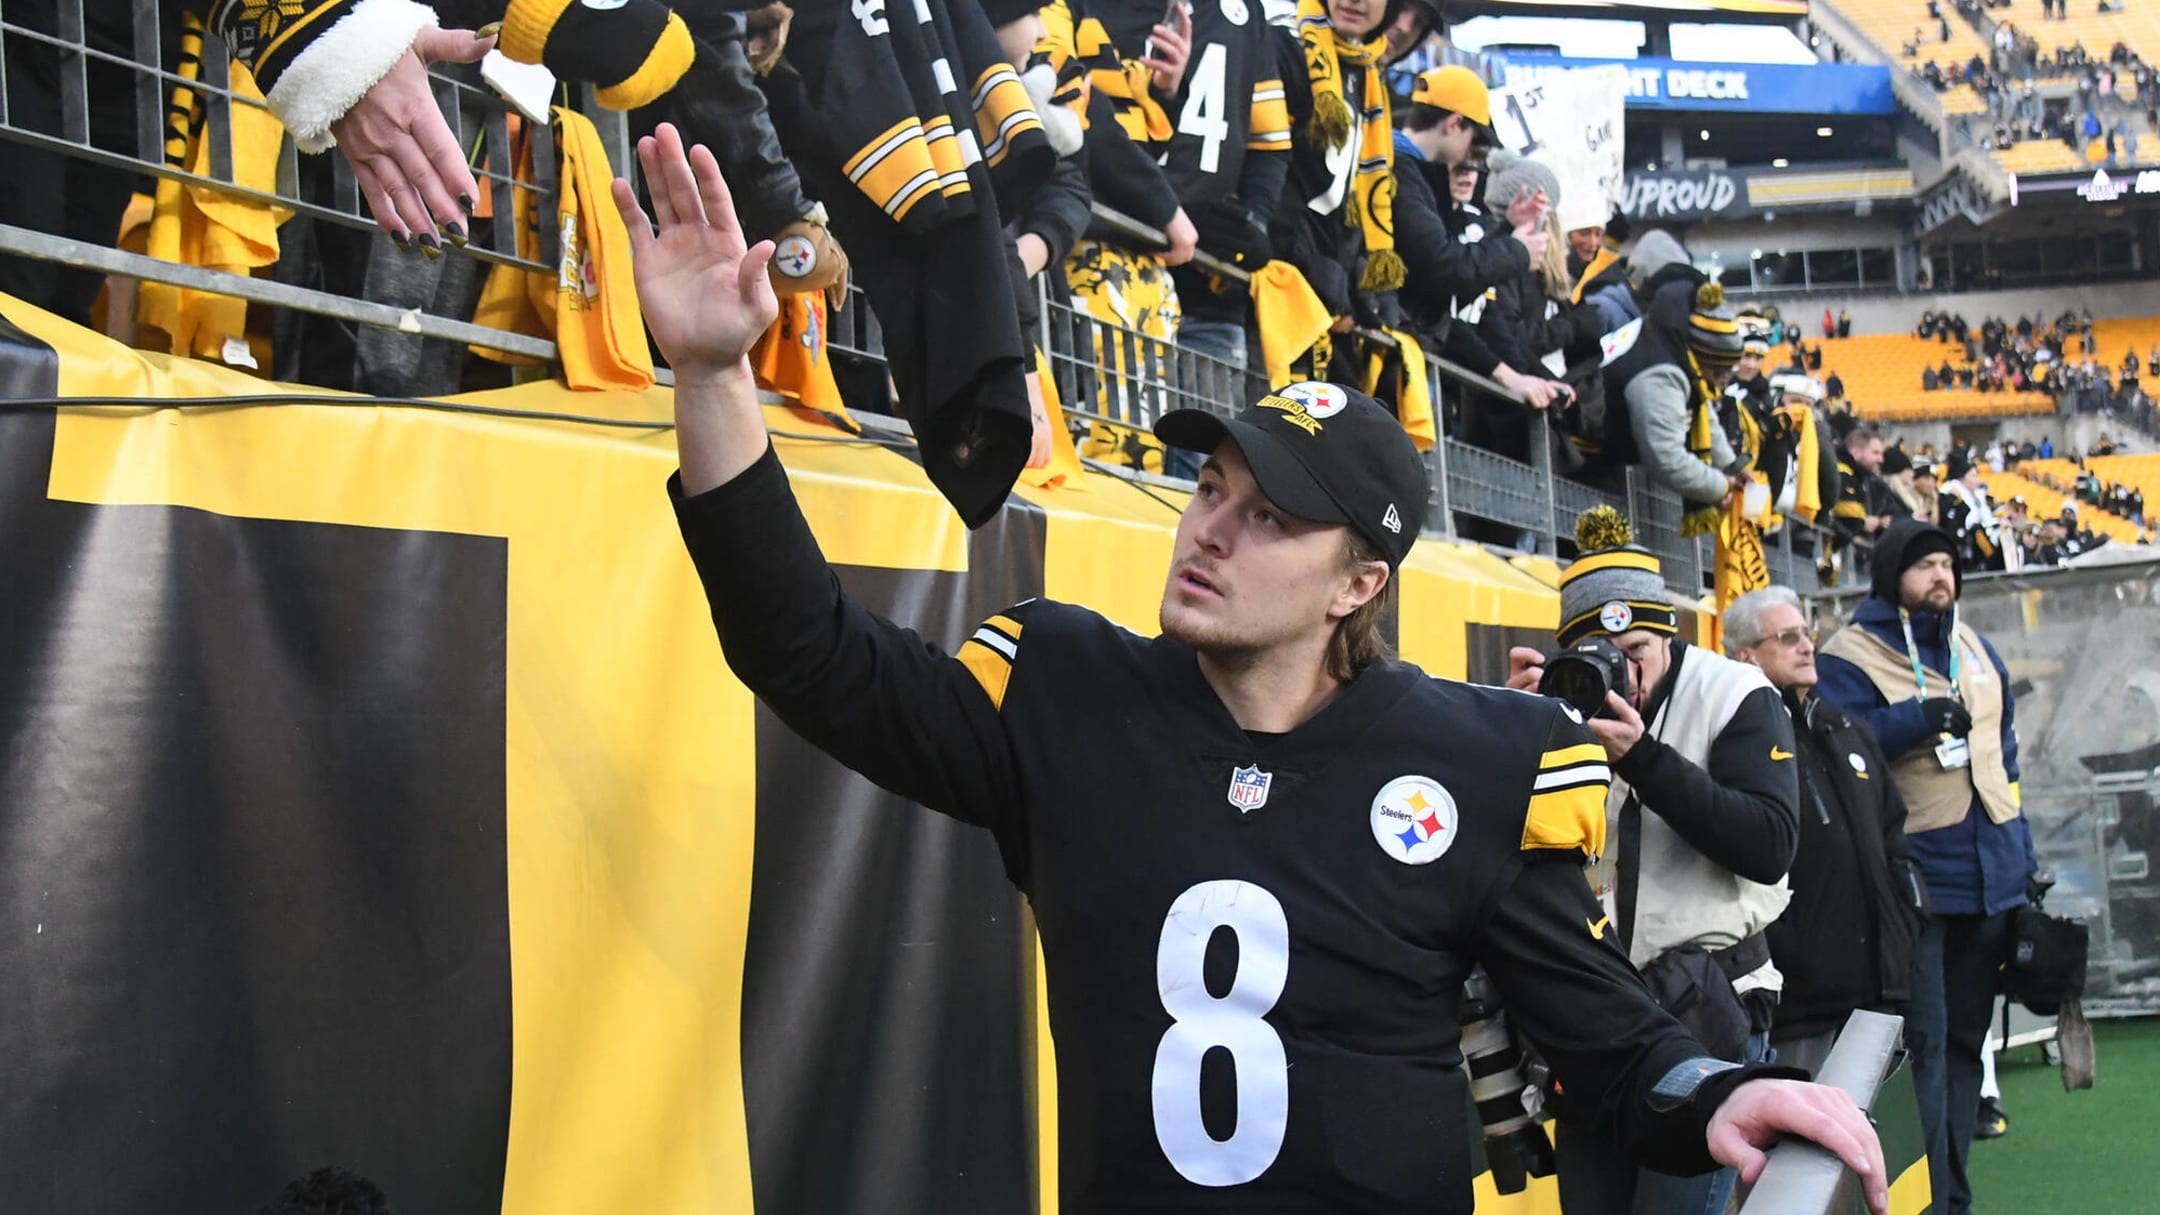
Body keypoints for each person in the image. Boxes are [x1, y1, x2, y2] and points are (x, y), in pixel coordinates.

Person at [625, 122, 1890, 1215]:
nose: (1211, 531)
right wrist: (712, 374)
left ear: (1359, 586)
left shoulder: (1480, 759)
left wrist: (1723, 1089)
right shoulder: (1070, 692)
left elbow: (1609, 1041)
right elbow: (809, 656)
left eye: (1273, 517)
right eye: (1212, 490)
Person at [1506, 509, 1802, 1215]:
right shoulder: (1556, 708)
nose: (1623, 670)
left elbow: (1769, 845)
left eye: (1637, 647)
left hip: (1706, 1002)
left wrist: (1642, 758)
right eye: (1601, 654)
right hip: (1592, 1009)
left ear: (1669, 633)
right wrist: (1505, 740)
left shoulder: (1734, 693)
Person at [1816, 521, 2037, 1215]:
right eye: (1925, 565)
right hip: (1912, 881)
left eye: (1947, 564)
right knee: (1926, 1051)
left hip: (1989, 874)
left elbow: (2004, 754)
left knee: (1967, 1049)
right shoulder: (1848, 653)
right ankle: (1928, 1201)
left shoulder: (1975, 643)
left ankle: (1954, 1198)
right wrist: (1914, 719)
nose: (1941, 575)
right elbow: (1838, 748)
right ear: (1890, 575)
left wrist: (2023, 859)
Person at [1723, 588, 1927, 1079]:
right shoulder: (1731, 738)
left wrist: (1909, 908)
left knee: (1884, 1141)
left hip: (1877, 983)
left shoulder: (1846, 728)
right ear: (1746, 654)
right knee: (1803, 1147)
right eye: (1787, 637)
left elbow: (1893, 831)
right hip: (1799, 1000)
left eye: (1806, 634)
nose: (1807, 646)